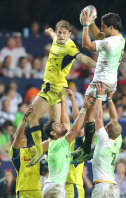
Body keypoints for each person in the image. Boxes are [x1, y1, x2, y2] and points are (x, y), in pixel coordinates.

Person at [27, 20, 96, 166]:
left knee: (31, 118)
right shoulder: (56, 39)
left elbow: (82, 58)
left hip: (51, 88)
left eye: (65, 33)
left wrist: (98, 64)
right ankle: (56, 160)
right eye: (60, 33)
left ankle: (39, 152)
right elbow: (54, 38)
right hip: (59, 91)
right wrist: (51, 31)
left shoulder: (70, 48)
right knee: (55, 129)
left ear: (70, 34)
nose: (61, 35)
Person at [73, 11, 125, 163]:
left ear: (110, 27)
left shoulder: (110, 42)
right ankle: (86, 148)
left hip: (101, 83)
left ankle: (87, 150)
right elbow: (98, 36)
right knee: (89, 115)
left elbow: (86, 44)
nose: (101, 30)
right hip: (110, 81)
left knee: (89, 114)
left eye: (103, 27)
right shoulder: (119, 38)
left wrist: (85, 25)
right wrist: (93, 21)